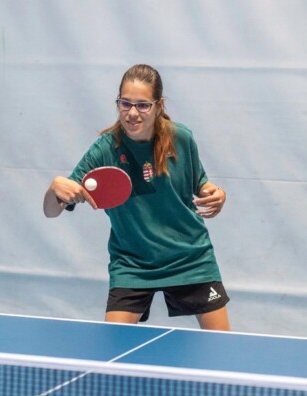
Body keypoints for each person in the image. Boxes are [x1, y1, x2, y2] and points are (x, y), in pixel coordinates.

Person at [43, 64, 230, 331]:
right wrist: (54, 190)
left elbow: (200, 184)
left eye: (143, 105)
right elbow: (51, 211)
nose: (132, 113)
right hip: (133, 264)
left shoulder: (181, 138)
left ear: (159, 105)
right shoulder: (105, 150)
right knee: (114, 346)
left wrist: (216, 194)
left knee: (220, 345)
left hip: (190, 258)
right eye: (125, 103)